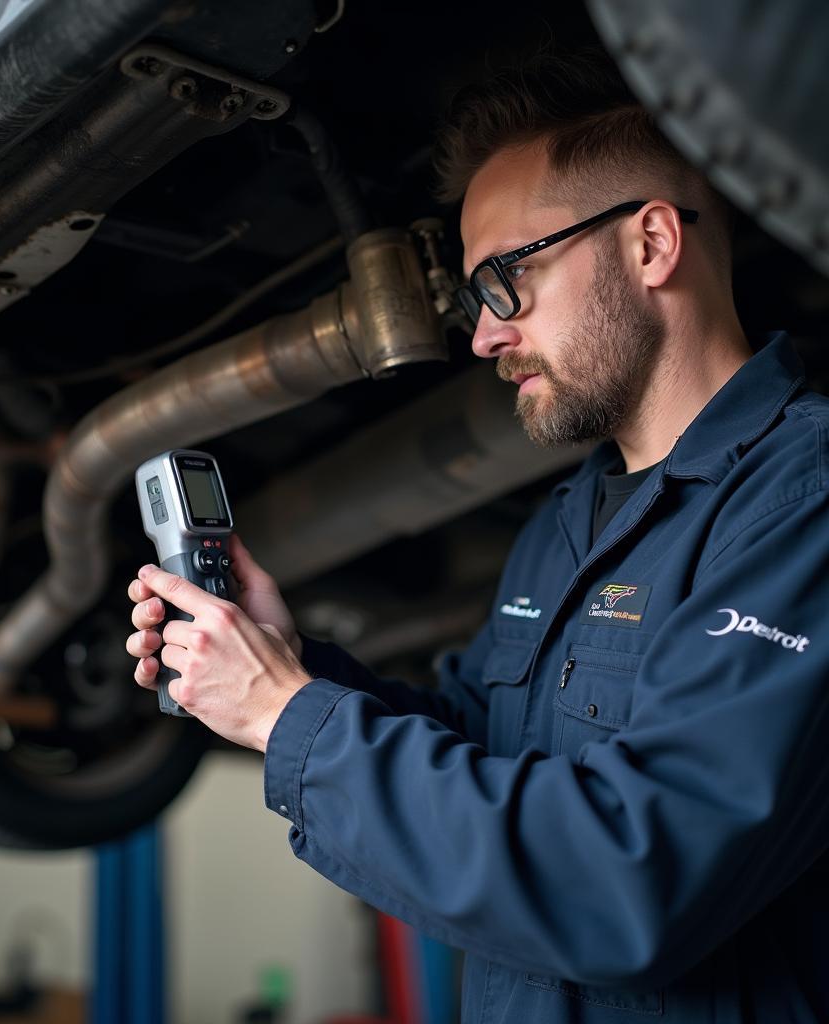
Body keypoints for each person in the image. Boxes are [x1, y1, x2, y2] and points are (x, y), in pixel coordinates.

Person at [125, 51, 829, 1023]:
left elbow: (636, 885)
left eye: (505, 280)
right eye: (473, 298)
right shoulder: (565, 524)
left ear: (651, 243)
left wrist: (285, 716)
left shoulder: (802, 501)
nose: (483, 337)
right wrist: (287, 665)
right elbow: (476, 745)